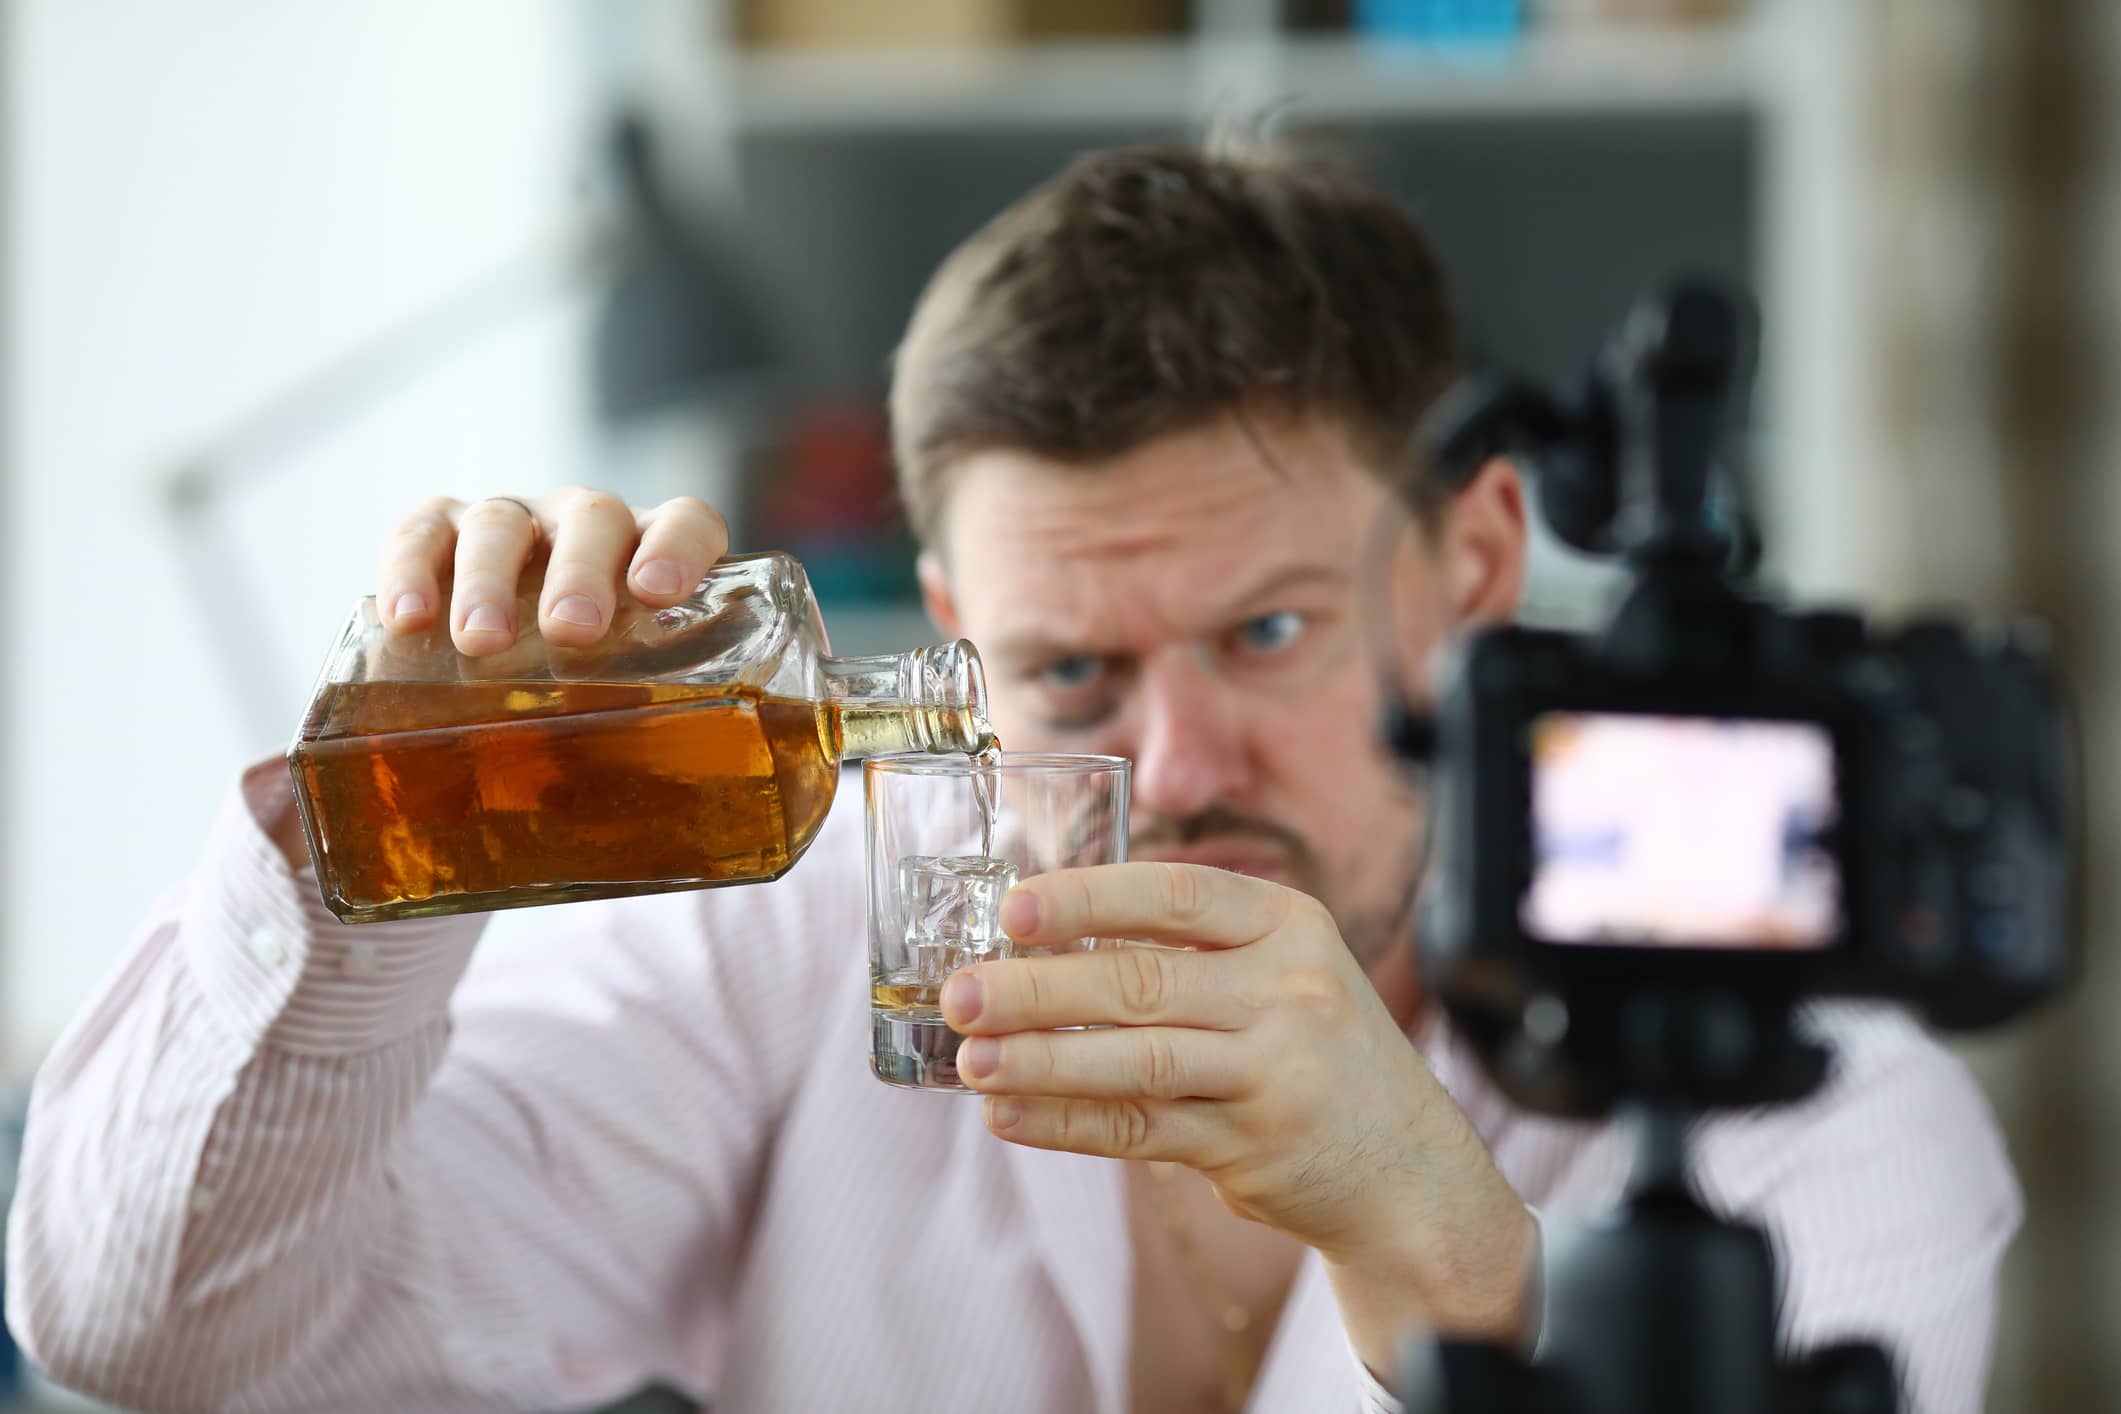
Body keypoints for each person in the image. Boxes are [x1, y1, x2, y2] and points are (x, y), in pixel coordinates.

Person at [5, 142, 2016, 1414]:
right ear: (953, 626)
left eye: (1265, 633)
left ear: (1473, 562)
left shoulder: (1783, 1087)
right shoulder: (801, 937)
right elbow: (160, 1327)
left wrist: (1426, 1227)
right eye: (1065, 667)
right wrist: (384, 855)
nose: (1175, 764)